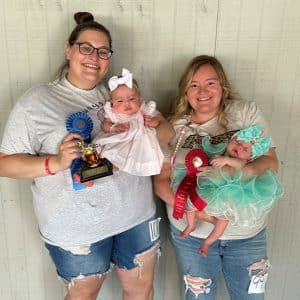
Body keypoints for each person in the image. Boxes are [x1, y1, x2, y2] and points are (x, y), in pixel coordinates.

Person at [0, 12, 174, 300]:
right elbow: (5, 164)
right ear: (69, 50)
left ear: (109, 58)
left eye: (103, 51)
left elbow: (166, 133)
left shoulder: (120, 92)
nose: (94, 57)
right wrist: (54, 162)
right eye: (86, 48)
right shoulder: (36, 102)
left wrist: (151, 130)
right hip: (76, 230)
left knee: (141, 292)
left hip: (136, 217)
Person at [153, 55, 280, 300]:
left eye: (211, 83)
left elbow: (271, 162)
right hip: (192, 236)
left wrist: (241, 169)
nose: (203, 91)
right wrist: (195, 209)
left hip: (247, 234)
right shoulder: (173, 127)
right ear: (185, 91)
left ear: (222, 86)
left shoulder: (245, 113)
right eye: (194, 85)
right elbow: (160, 181)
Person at [173, 124, 282, 257]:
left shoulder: (241, 163)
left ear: (250, 158)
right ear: (230, 141)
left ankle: (208, 242)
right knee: (190, 204)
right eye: (237, 142)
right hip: (208, 189)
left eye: (245, 149)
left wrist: (226, 160)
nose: (239, 147)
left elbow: (239, 165)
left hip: (226, 195)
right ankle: (190, 225)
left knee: (223, 220)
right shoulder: (218, 152)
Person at [93, 68, 164, 176]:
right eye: (120, 101)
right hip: (119, 139)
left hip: (138, 141)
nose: (127, 103)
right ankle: (93, 172)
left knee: (142, 156)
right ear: (112, 103)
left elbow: (159, 122)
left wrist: (151, 121)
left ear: (139, 98)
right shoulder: (113, 113)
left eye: (132, 99)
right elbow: (105, 125)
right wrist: (113, 128)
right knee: (105, 154)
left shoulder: (143, 110)